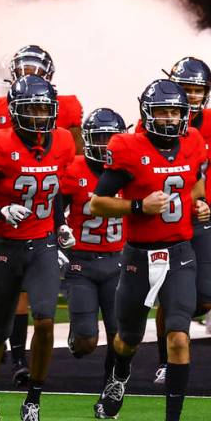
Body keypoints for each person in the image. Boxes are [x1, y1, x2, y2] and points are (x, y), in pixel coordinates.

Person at [90, 79, 210, 421]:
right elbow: (97, 203)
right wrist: (138, 207)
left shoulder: (194, 142)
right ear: (147, 114)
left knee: (178, 336)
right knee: (127, 338)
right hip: (139, 256)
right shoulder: (128, 148)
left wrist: (199, 205)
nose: (170, 118)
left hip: (179, 253)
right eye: (162, 112)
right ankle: (119, 374)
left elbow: (195, 184)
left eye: (175, 111)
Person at [0, 75, 77, 421]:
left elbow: (55, 189)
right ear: (14, 112)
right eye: (31, 109)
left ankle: (33, 401)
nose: (39, 115)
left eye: (44, 108)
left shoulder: (61, 141)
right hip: (7, 248)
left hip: (42, 245)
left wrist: (60, 225)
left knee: (45, 323)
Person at [0, 44, 84, 385]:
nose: (31, 79)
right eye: (24, 72)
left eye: (37, 73)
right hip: (5, 221)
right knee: (3, 313)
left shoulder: (64, 128)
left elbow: (66, 172)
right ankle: (11, 359)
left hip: (42, 226)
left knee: (43, 311)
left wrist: (62, 221)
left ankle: (27, 373)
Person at [151, 57, 211, 386]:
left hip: (203, 216)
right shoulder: (153, 120)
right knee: (171, 296)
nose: (192, 96)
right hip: (168, 219)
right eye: (187, 89)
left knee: (205, 298)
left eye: (198, 90)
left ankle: (176, 338)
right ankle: (165, 359)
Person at [61, 108, 127, 401]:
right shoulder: (73, 169)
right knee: (87, 341)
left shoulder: (129, 168)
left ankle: (109, 389)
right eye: (99, 139)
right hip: (82, 263)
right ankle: (78, 337)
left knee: (119, 335)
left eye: (110, 140)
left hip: (118, 260)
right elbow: (53, 210)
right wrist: (58, 231)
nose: (104, 146)